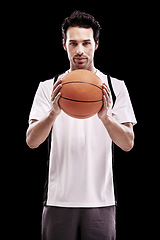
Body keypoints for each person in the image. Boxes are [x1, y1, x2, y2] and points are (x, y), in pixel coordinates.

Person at [26, 10, 137, 240]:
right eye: (73, 43)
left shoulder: (115, 87)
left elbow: (128, 143)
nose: (79, 50)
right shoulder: (48, 87)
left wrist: (106, 117)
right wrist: (52, 114)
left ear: (96, 44)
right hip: (58, 201)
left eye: (86, 43)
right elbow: (32, 141)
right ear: (63, 44)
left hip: (101, 201)